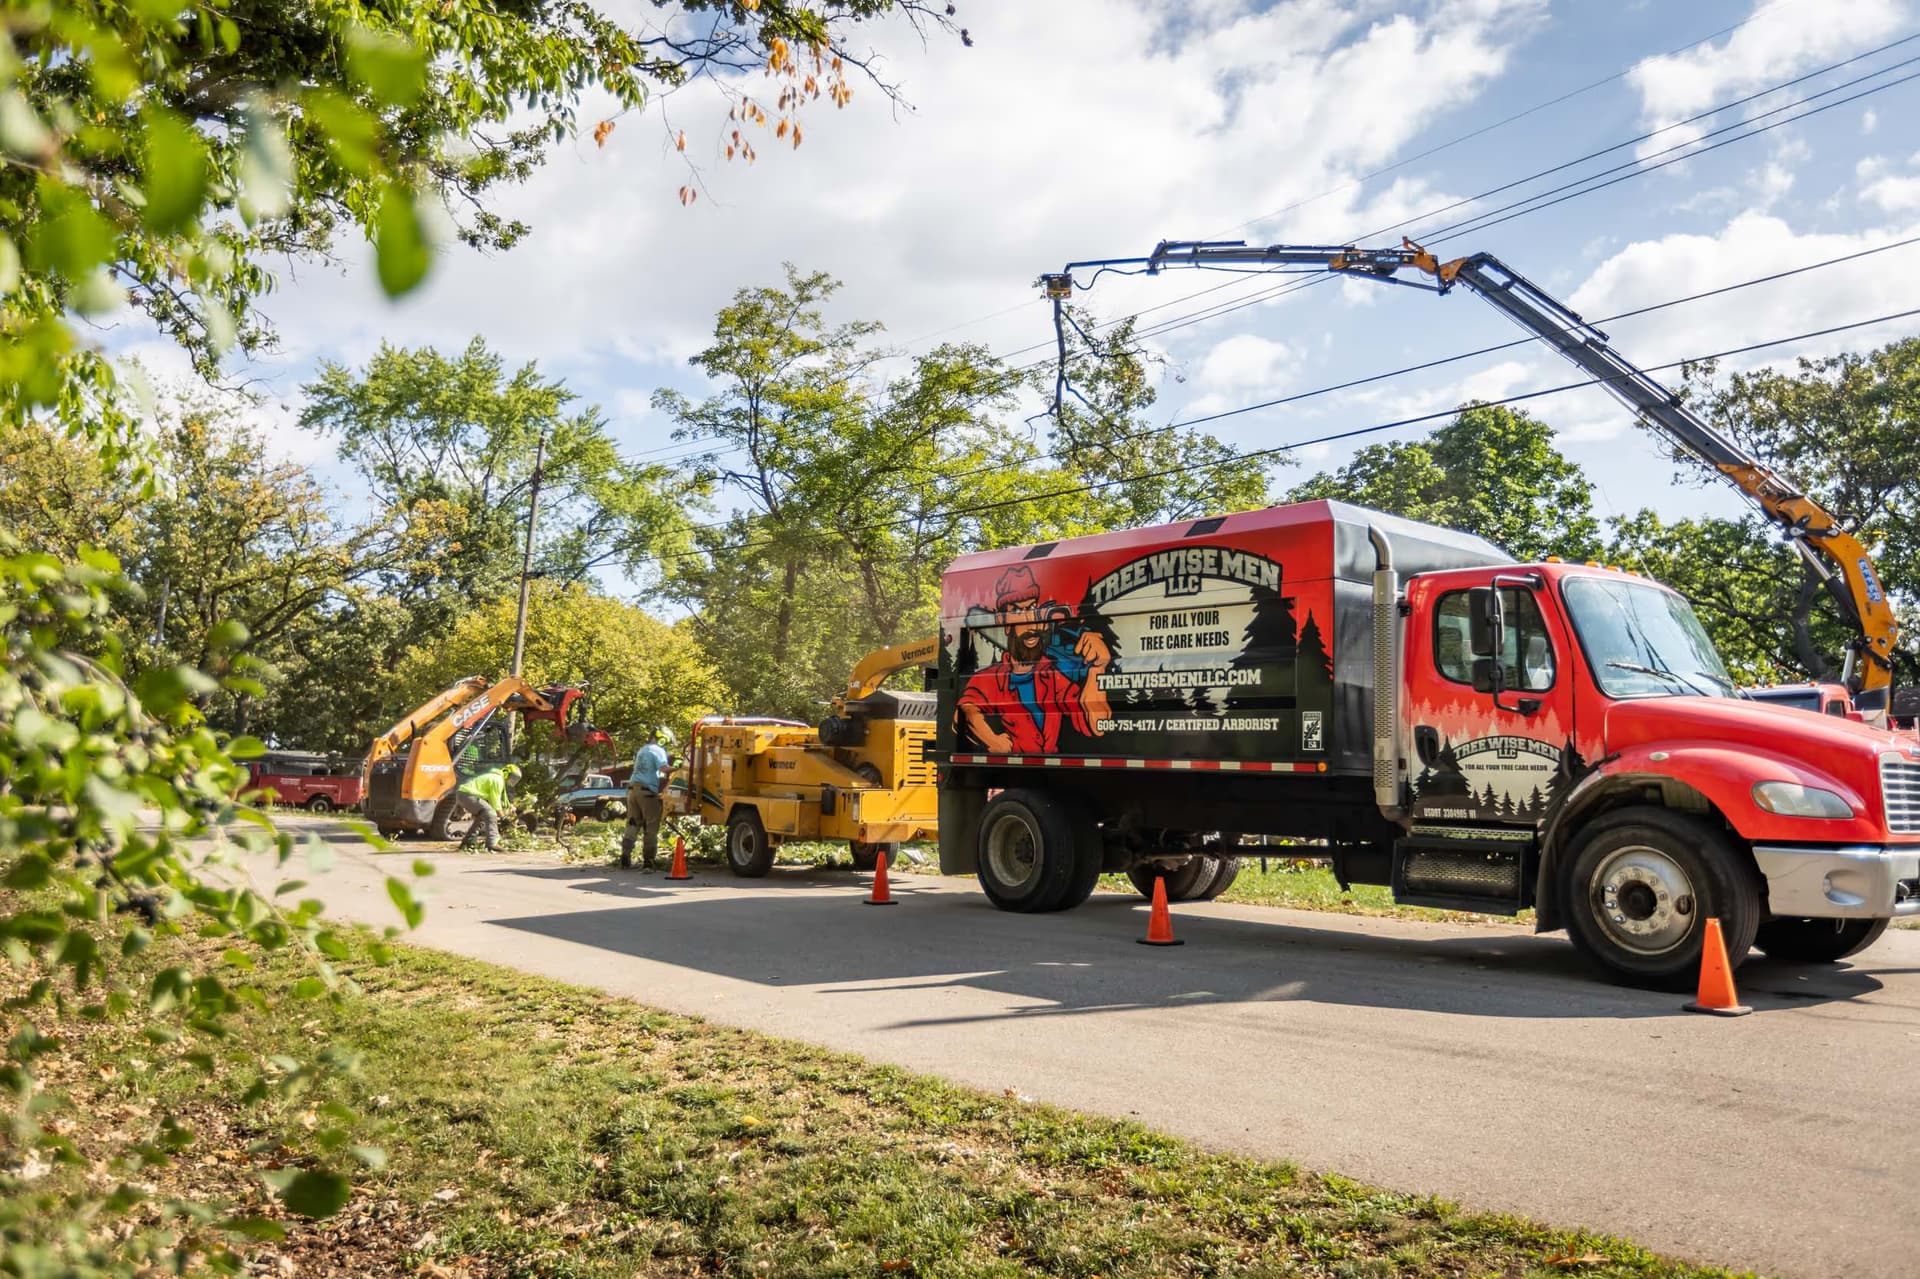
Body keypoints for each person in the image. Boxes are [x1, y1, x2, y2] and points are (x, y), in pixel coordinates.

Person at [621, 729, 671, 869]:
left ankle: (625, 854)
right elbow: (664, 769)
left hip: (632, 789)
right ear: (662, 738)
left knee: (632, 823)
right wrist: (678, 768)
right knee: (651, 825)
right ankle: (648, 860)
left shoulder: (642, 750)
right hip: (647, 791)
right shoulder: (658, 750)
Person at [455, 763, 520, 853]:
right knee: (491, 813)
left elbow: (493, 800)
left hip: (462, 794)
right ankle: (492, 843)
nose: (512, 780)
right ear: (506, 773)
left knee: (483, 815)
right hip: (468, 795)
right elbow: (495, 802)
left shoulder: (495, 777)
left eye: (515, 779)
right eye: (512, 777)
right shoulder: (498, 780)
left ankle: (467, 842)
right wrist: (503, 818)